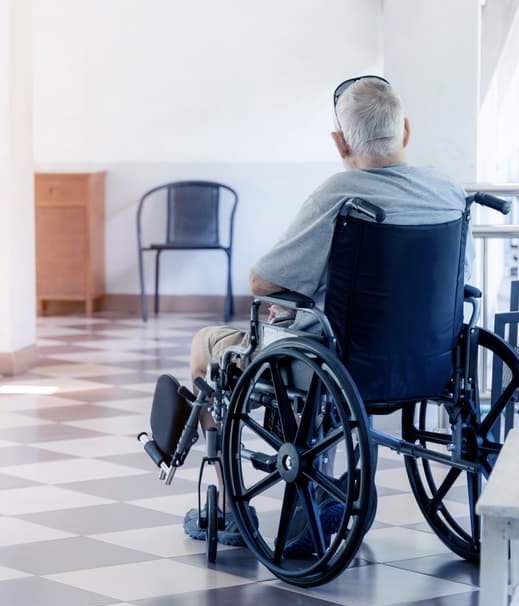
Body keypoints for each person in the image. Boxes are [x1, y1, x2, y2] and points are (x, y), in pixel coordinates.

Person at [183, 75, 472, 549]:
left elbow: (261, 281)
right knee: (323, 346)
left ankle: (232, 511)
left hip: (345, 360)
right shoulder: (447, 192)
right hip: (430, 357)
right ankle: (324, 489)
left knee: (205, 347)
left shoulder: (340, 195)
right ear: (405, 131)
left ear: (340, 143)